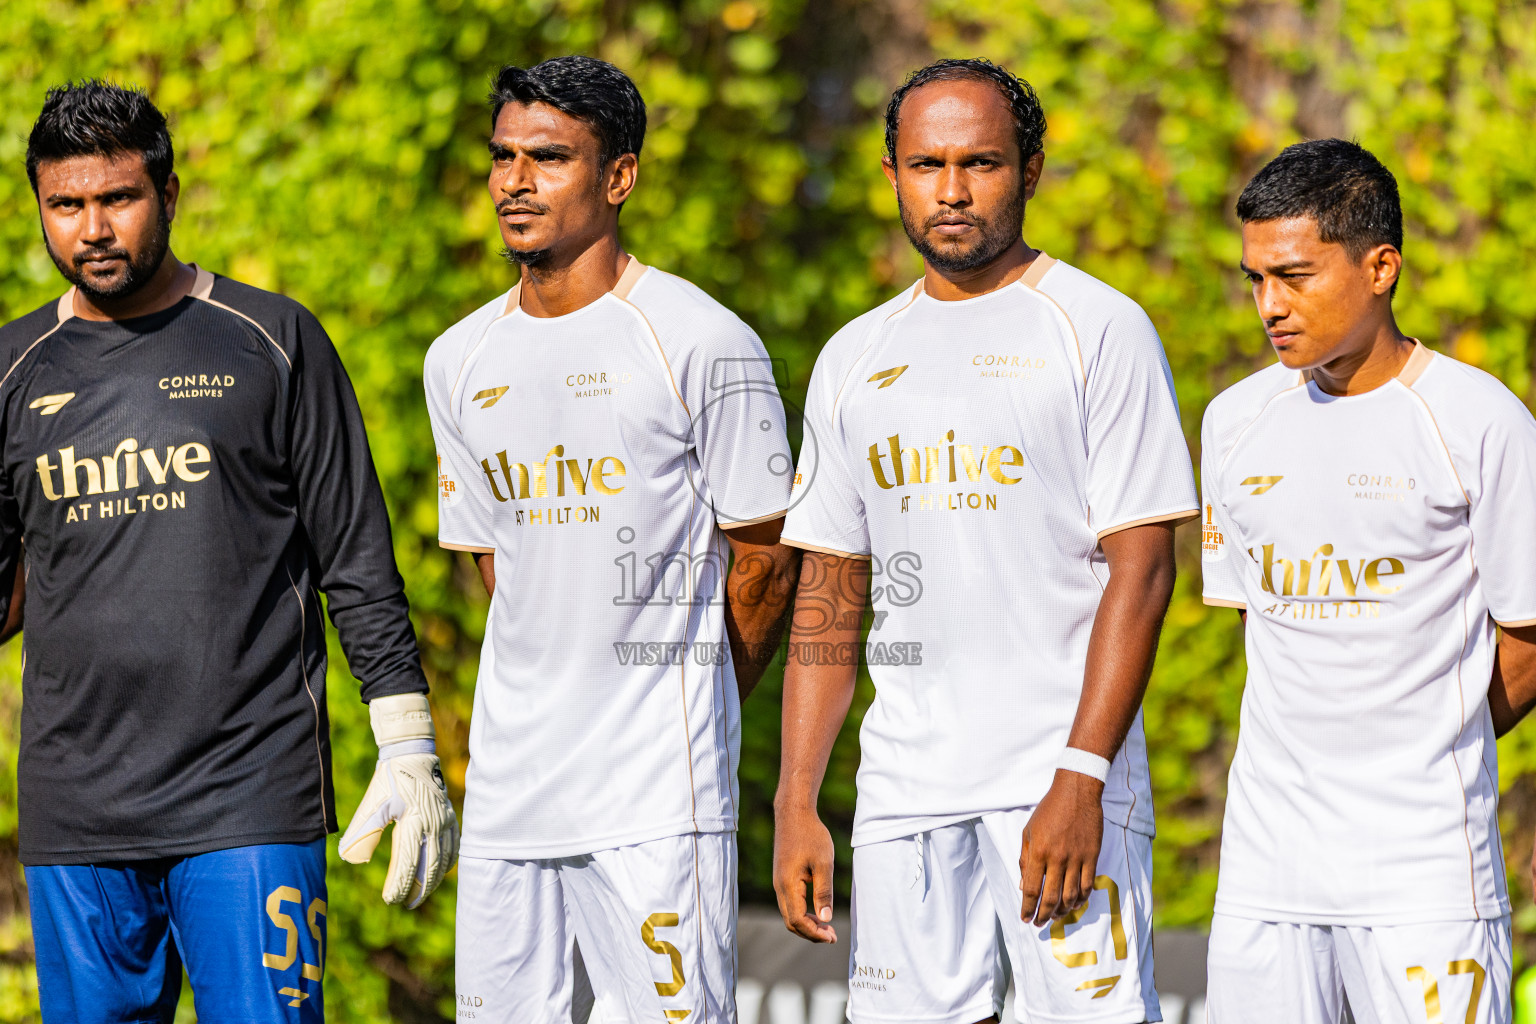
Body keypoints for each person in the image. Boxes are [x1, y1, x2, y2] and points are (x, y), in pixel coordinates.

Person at [0, 81, 458, 1024]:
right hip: (75, 810)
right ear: (40, 207)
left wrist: (408, 744)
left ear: (169, 195)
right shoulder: (13, 369)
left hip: (245, 797)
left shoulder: (272, 340)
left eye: (118, 198)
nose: (93, 229)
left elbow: (357, 557)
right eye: (66, 205)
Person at [772, 58, 1195, 1024]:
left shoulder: (1098, 328)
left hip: (1060, 789)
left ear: (1031, 171)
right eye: (927, 164)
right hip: (903, 795)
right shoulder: (854, 356)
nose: (952, 192)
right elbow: (833, 589)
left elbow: (1144, 570)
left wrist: (1081, 776)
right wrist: (798, 798)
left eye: (982, 164)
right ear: (891, 175)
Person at [424, 56, 800, 1023]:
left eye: (549, 158)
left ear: (619, 177)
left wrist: (693, 694)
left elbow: (766, 556)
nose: (516, 180)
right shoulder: (458, 358)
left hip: (655, 802)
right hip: (511, 797)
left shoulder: (702, 341)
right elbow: (497, 563)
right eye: (504, 156)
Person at [1201, 137, 1536, 1023]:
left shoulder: (1480, 420)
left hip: (1424, 876)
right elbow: (1265, 631)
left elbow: (1531, 637)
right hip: (1265, 872)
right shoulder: (1233, 422)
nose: (1269, 305)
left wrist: (1433, 741)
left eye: (1295, 275)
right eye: (1254, 280)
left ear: (1380, 266)